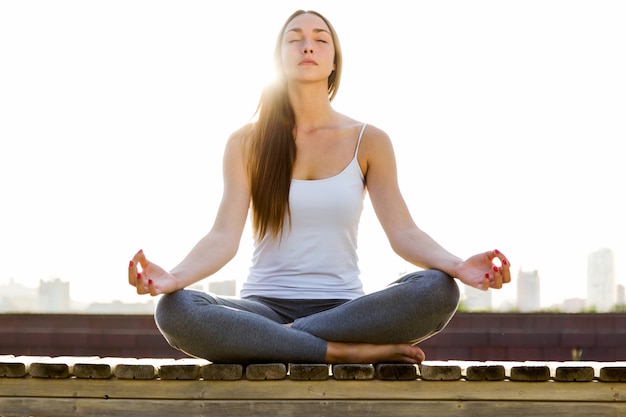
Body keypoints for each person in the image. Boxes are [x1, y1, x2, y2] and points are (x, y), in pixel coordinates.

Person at [127, 10, 511, 365]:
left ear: (333, 62)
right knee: (175, 310)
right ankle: (342, 353)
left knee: (438, 290)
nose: (307, 45)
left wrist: (458, 267)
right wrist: (174, 278)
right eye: (294, 38)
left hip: (345, 311)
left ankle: (279, 341)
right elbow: (223, 236)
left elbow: (404, 232)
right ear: (279, 59)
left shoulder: (369, 140)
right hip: (263, 307)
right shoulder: (246, 143)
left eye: (320, 39)